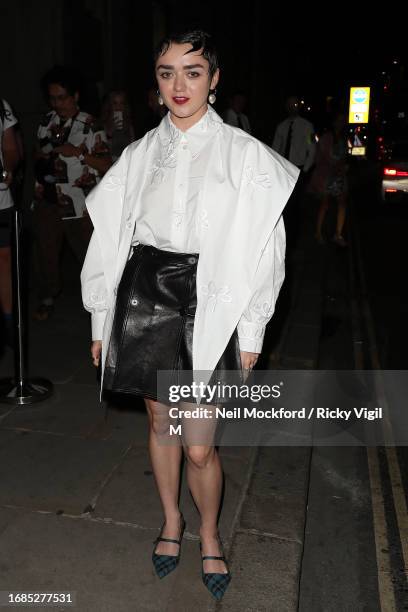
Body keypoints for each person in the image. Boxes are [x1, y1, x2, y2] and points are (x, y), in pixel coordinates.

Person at [81, 30, 298, 601]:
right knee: (160, 425)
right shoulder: (139, 154)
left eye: (193, 71)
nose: (179, 85)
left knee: (198, 442)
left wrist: (251, 328)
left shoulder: (246, 156)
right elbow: (108, 239)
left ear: (215, 78)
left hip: (210, 295)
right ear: (156, 82)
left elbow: (264, 247)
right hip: (146, 292)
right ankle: (172, 521)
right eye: (166, 72)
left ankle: (208, 531)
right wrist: (101, 315)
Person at [32, 66, 112, 321]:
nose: (58, 104)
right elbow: (38, 153)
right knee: (45, 252)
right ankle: (47, 297)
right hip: (49, 198)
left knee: (88, 256)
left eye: (62, 97)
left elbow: (106, 165)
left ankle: (103, 305)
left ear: (75, 96)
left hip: (80, 204)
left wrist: (77, 153)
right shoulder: (47, 121)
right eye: (53, 98)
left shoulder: (90, 124)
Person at [308, 112, 349, 246]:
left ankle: (338, 234)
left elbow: (344, 155)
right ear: (333, 122)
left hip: (338, 176)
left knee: (342, 203)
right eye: (338, 121)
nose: (341, 124)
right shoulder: (326, 137)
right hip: (326, 176)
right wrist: (336, 164)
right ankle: (318, 232)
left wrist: (343, 165)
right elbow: (324, 156)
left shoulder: (343, 139)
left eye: (342, 121)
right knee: (324, 204)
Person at [0, 98, 21, 348]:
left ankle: (8, 323)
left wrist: (9, 168)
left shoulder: (3, 105)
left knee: (4, 262)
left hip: (1, 200)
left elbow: (11, 149)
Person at [272, 96, 316, 172]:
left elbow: (313, 149)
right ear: (286, 107)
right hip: (282, 166)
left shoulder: (308, 126)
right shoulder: (281, 127)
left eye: (294, 104)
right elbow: (275, 148)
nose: (291, 107)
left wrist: (305, 170)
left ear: (298, 106)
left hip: (299, 167)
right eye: (289, 105)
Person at [100, 90, 135, 161]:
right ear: (110, 105)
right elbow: (104, 150)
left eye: (121, 103)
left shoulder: (128, 123)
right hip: (112, 161)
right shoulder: (104, 124)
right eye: (115, 103)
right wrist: (110, 132)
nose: (118, 106)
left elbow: (133, 144)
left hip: (127, 159)